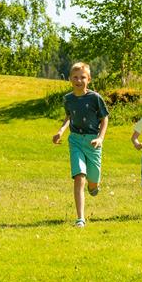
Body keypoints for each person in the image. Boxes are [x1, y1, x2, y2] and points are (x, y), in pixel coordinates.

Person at [52, 62, 109, 228]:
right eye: (75, 77)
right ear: (70, 79)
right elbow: (68, 116)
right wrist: (61, 131)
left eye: (82, 77)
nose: (79, 80)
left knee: (92, 182)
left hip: (92, 142)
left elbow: (104, 118)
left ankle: (94, 185)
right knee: (79, 177)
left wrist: (100, 138)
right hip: (75, 140)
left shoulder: (95, 98)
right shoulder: (68, 99)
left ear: (89, 79)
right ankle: (80, 218)